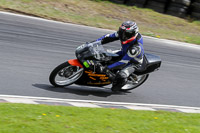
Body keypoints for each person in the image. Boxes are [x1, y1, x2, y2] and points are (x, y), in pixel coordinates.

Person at [95, 20, 144, 91]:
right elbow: (108, 37)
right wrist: (96, 42)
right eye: (121, 32)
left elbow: (123, 62)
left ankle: (120, 84)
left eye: (125, 34)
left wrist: (106, 68)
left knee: (121, 75)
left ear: (132, 34)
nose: (122, 35)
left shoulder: (135, 48)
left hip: (133, 62)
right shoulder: (124, 34)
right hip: (124, 52)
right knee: (105, 56)